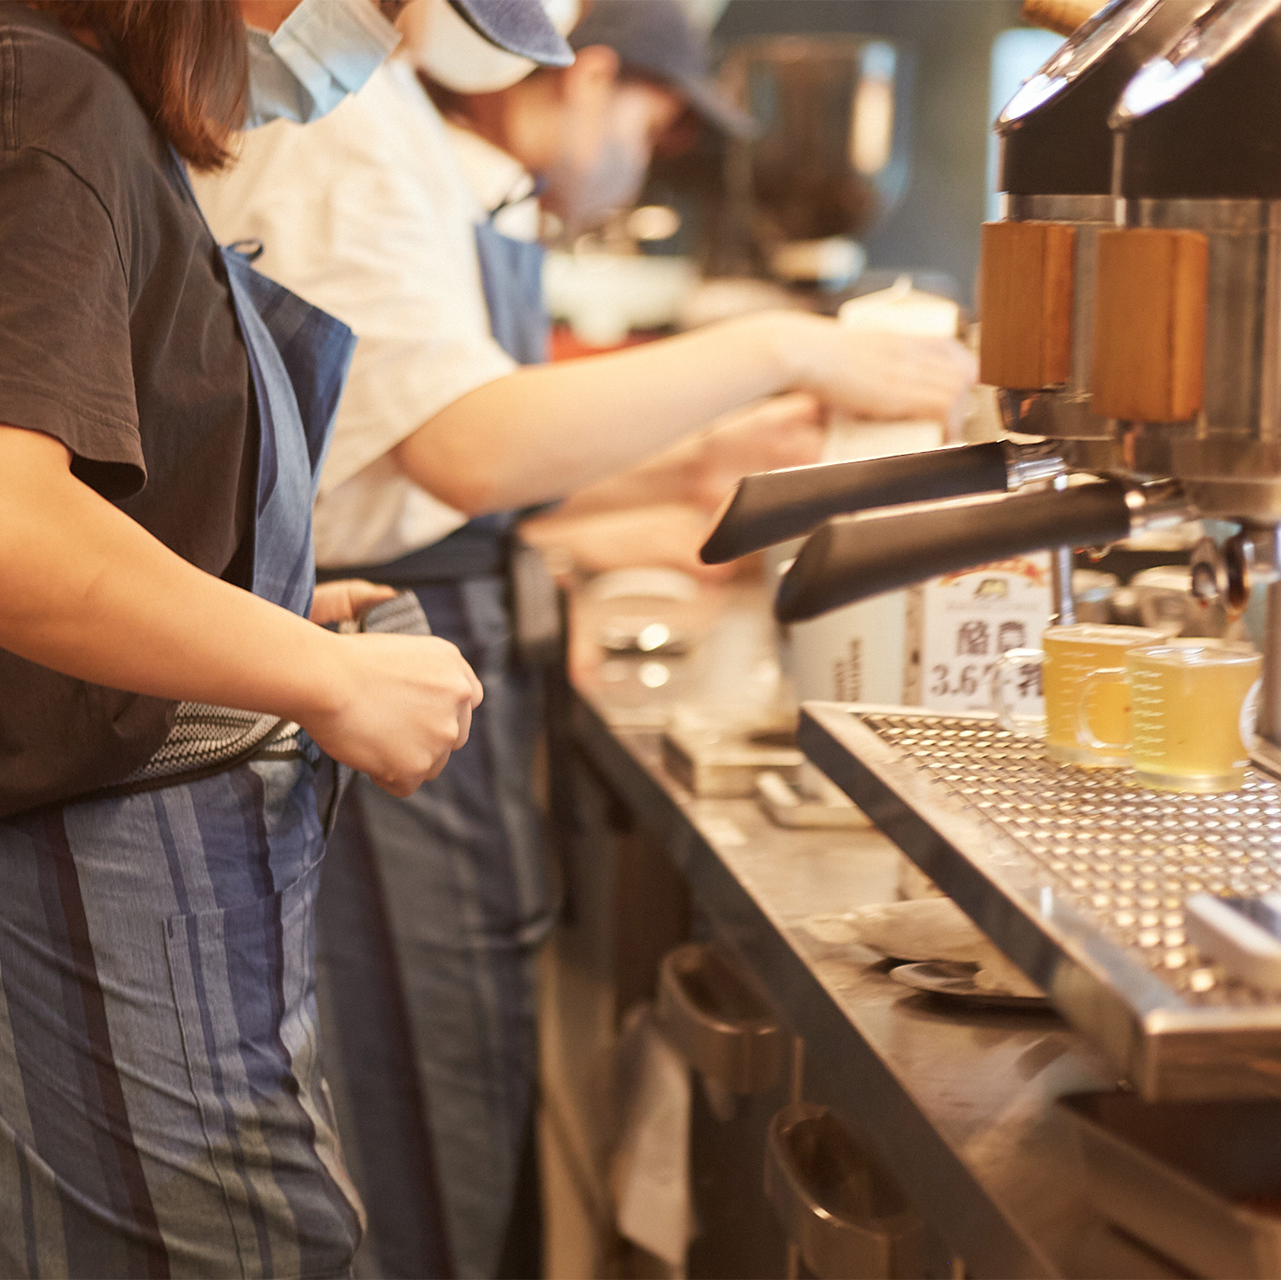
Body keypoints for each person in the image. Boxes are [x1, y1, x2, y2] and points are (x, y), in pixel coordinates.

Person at [193, 2, 976, 1275]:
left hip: (429, 630)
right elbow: (469, 444)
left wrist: (690, 468)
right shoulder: (342, 120)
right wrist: (782, 346)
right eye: (655, 122)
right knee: (419, 1126)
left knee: (458, 1108)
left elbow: (441, 462)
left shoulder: (396, 123)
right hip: (375, 650)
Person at [0, 0, 573, 1275]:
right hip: (109, 908)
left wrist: (262, 618)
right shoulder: (34, 97)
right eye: (389, 1)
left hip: (113, 889)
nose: (391, 39)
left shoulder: (80, 111)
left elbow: (80, 513)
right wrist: (325, 676)